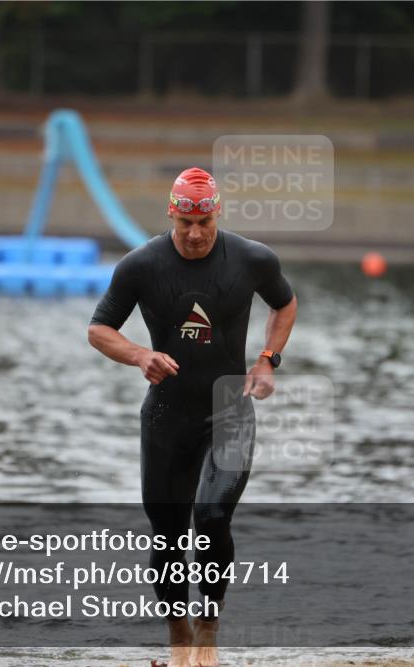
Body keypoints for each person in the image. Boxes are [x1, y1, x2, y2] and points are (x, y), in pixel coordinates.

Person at [87, 167, 298, 667]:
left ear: (216, 213)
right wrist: (140, 355)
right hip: (166, 416)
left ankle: (209, 623)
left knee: (212, 515)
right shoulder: (141, 266)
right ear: (172, 214)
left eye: (204, 222)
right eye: (186, 223)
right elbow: (99, 329)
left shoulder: (252, 258)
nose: (196, 233)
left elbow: (284, 305)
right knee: (166, 530)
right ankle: (178, 632)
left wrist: (268, 359)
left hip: (229, 410)